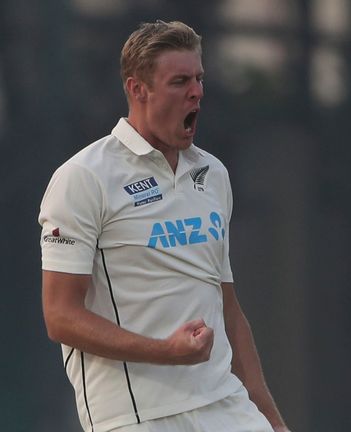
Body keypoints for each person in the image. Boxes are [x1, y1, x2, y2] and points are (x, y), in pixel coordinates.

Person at [39, 21, 290, 432]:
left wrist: (269, 418)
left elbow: (226, 306)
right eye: (179, 81)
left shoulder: (212, 173)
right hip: (137, 415)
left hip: (224, 403)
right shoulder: (84, 177)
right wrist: (166, 351)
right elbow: (60, 316)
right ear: (138, 89)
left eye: (199, 79)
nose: (197, 92)